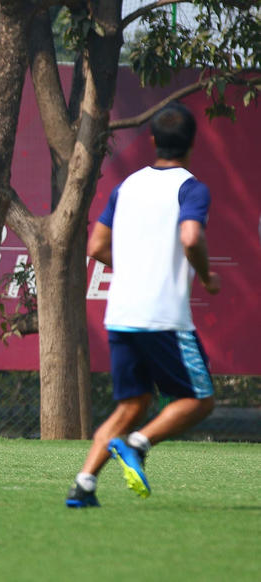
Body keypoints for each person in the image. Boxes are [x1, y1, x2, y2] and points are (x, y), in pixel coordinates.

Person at [66, 103, 220, 508]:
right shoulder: (191, 187)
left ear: (153, 140)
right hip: (163, 317)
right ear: (192, 143)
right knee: (199, 399)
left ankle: (83, 484)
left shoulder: (128, 186)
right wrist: (206, 276)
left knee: (133, 403)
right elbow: (190, 238)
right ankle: (138, 443)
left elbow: (97, 245)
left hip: (121, 315)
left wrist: (135, 266)